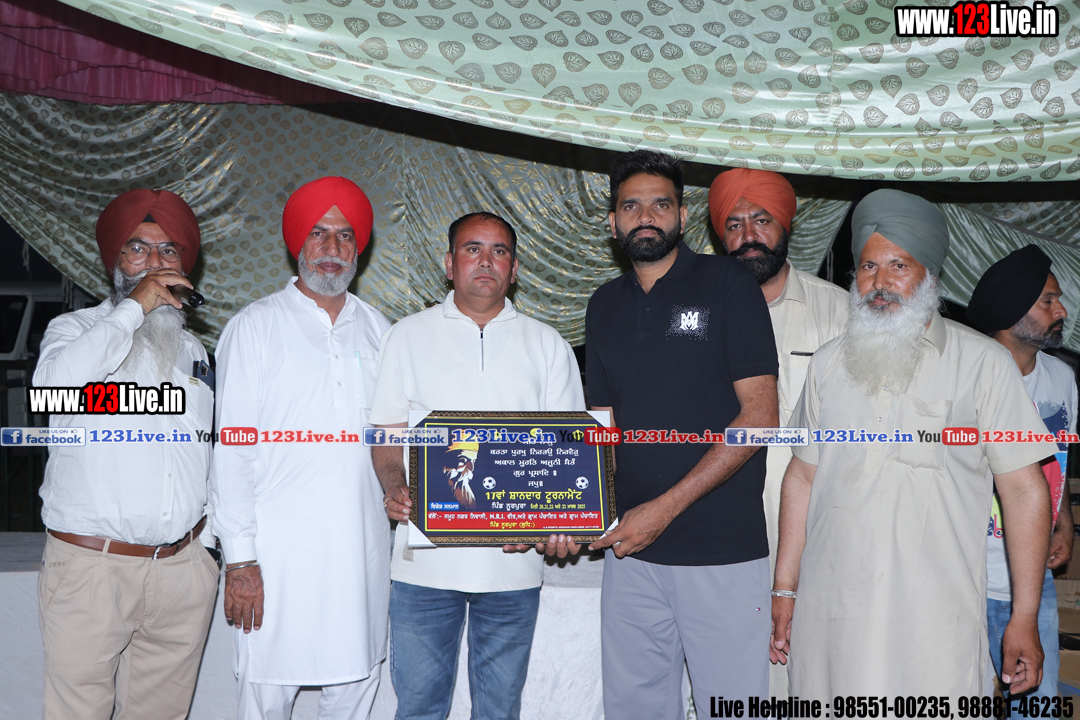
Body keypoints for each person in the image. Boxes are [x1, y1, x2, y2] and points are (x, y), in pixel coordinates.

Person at [772, 189, 1058, 699]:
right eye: (867, 267)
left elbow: (1023, 490)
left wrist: (1025, 615)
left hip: (934, 624)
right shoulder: (828, 363)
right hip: (831, 617)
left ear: (930, 276)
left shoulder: (982, 364)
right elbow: (802, 476)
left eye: (898, 265)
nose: (879, 282)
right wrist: (785, 587)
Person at [585, 149, 779, 717]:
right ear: (613, 221)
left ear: (683, 215)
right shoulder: (603, 305)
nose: (646, 216)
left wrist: (664, 509)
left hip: (721, 551)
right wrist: (565, 513)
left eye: (660, 205)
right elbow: (602, 433)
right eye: (631, 207)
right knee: (633, 709)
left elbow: (759, 418)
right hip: (631, 555)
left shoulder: (728, 283)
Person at [371, 211, 584, 720]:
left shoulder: (547, 345)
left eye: (499, 251)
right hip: (425, 566)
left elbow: (568, 455)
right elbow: (386, 435)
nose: (486, 261)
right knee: (419, 708)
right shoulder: (406, 336)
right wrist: (395, 484)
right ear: (450, 264)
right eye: (473, 249)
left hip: (513, 568)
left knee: (499, 709)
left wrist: (556, 522)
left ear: (514, 269)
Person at [211, 177, 391, 720]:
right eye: (318, 233)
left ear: (359, 248)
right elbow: (232, 452)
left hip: (360, 559)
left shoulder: (379, 330)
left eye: (345, 236)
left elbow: (396, 439)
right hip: (275, 561)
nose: (332, 248)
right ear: (297, 243)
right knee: (266, 696)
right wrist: (241, 559)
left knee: (354, 691)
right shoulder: (255, 326)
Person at [34, 188, 218, 720]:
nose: (155, 263)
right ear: (115, 262)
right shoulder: (75, 331)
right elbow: (50, 392)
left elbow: (201, 452)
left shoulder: (192, 350)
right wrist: (134, 308)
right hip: (94, 570)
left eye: (168, 251)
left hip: (181, 572)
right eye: (138, 249)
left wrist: (206, 550)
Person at [709, 168, 847, 697]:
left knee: (806, 674)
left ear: (786, 225)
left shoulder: (838, 313)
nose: (749, 236)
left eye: (762, 220)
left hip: (812, 527)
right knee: (727, 676)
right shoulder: (700, 310)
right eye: (735, 224)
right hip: (720, 521)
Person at [967, 244, 1076, 702]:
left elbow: (1057, 459)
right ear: (1012, 311)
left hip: (1033, 581)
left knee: (1037, 707)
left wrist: (1064, 523)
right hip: (963, 579)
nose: (1062, 310)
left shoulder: (1061, 378)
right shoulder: (967, 378)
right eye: (1048, 300)